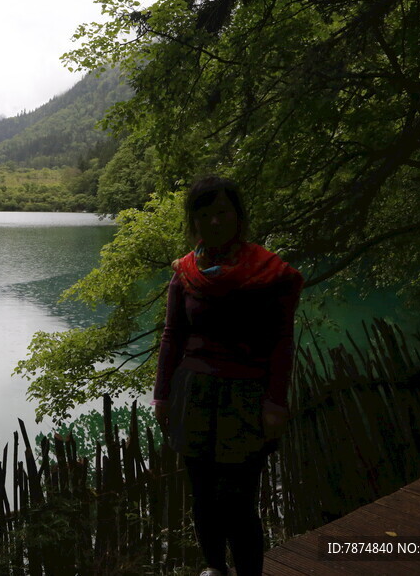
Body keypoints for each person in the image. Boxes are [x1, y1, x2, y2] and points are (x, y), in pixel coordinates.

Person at [153, 176, 303, 576]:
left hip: (246, 396)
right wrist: (162, 396)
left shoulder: (269, 272)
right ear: (194, 221)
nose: (215, 222)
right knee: (202, 495)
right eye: (204, 214)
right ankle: (215, 568)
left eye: (222, 212)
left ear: (238, 215)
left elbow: (281, 341)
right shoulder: (186, 271)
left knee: (238, 500)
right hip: (192, 394)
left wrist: (275, 401)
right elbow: (172, 335)